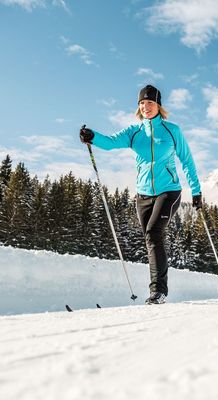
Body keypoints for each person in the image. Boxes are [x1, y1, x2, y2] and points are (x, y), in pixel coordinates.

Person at [80, 84, 202, 305]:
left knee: (154, 233)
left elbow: (187, 160)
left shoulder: (172, 131)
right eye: (142, 103)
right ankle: (157, 286)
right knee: (150, 238)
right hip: (143, 195)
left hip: (169, 191)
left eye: (150, 103)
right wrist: (92, 136)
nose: (146, 107)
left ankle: (158, 291)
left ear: (159, 105)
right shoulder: (134, 132)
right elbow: (110, 142)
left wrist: (196, 191)